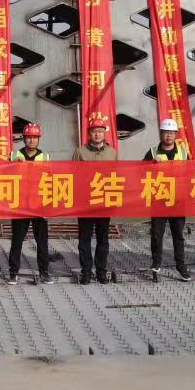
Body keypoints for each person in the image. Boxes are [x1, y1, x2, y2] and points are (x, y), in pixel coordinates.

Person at [72, 114, 118, 285]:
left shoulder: (112, 153)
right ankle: (86, 272)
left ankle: (101, 271)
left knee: (103, 239)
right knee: (84, 239)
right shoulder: (80, 152)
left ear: (104, 133)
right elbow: (72, 174)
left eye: (100, 131)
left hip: (104, 202)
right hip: (85, 202)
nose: (97, 134)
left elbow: (117, 175)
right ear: (89, 133)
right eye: (94, 131)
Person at [7, 123, 55, 285]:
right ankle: (13, 272)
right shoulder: (14, 155)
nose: (31, 140)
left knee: (42, 241)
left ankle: (44, 272)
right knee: (17, 240)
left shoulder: (45, 157)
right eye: (29, 137)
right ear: (24, 138)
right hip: (20, 204)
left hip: (39, 204)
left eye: (34, 137)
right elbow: (4, 174)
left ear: (38, 139)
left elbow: (51, 180)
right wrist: (14, 165)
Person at [144, 119, 191, 281]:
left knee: (178, 235)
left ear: (176, 134)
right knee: (157, 234)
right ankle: (156, 264)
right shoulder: (152, 152)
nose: (168, 136)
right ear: (161, 134)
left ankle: (181, 266)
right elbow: (140, 171)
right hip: (159, 200)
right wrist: (151, 164)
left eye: (171, 133)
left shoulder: (183, 152)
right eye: (166, 132)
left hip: (178, 200)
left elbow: (193, 171)